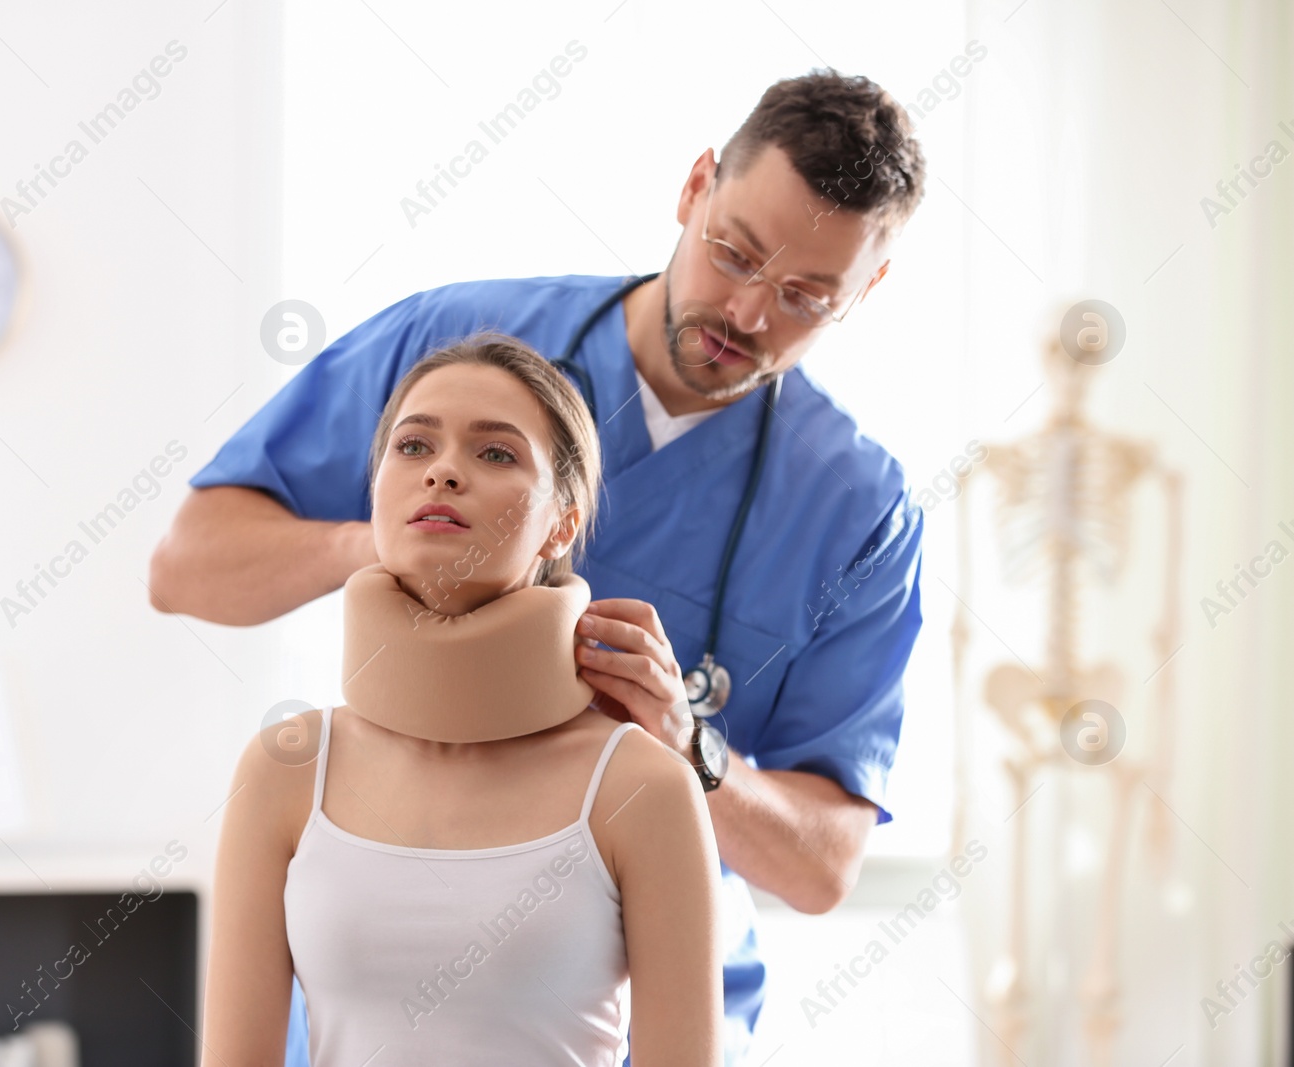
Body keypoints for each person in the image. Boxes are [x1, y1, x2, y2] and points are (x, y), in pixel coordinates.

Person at [153, 69, 927, 1066]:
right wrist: (392, 541)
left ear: (866, 291)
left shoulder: (855, 510)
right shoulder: (455, 351)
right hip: (374, 982)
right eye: (732, 252)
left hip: (651, 1002)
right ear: (694, 187)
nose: (744, 310)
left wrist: (690, 744)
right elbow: (188, 567)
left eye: (804, 297)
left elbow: (822, 868)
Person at [200, 335, 724, 1066]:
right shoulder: (286, 767)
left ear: (563, 522)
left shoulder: (644, 787)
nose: (443, 471)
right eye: (413, 446)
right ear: (376, 487)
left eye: (497, 454)